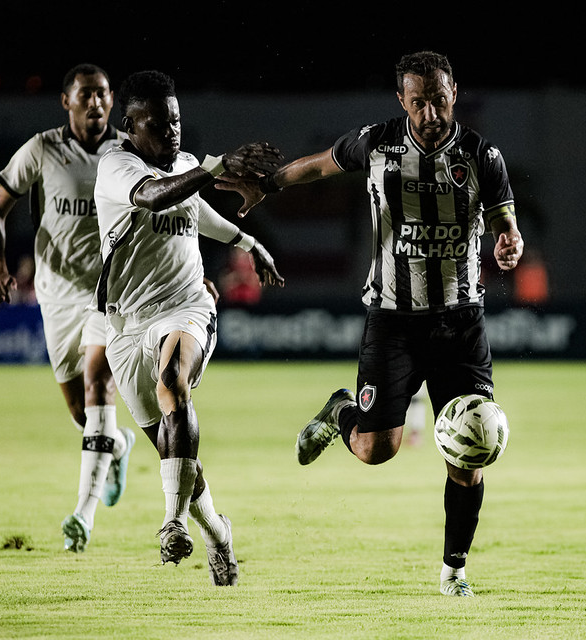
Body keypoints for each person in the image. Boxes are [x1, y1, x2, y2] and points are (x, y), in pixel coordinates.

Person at [218, 51, 523, 597]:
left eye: (438, 98)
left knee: (470, 452)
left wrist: (509, 238)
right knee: (375, 450)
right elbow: (317, 165)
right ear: (402, 101)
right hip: (393, 321)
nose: (430, 111)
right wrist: (269, 184)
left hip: (461, 326)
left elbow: (504, 216)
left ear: (454, 90)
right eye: (418, 101)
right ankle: (341, 409)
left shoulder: (482, 155)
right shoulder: (377, 143)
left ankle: (454, 571)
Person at [93, 70, 284, 586]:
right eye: (157, 123)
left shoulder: (184, 164)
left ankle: (171, 523)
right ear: (129, 124)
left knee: (173, 379)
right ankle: (218, 532)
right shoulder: (116, 166)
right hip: (126, 325)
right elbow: (157, 197)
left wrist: (246, 242)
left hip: (186, 306)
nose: (171, 131)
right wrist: (216, 166)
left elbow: (195, 211)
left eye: (176, 120)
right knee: (173, 451)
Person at [0, 63, 136, 553]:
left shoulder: (127, 150)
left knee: (99, 384)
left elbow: (164, 210)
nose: (96, 102)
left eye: (103, 94)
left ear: (112, 101)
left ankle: (82, 518)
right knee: (80, 411)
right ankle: (119, 445)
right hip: (56, 296)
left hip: (110, 296)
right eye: (86, 94)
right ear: (66, 101)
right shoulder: (42, 149)